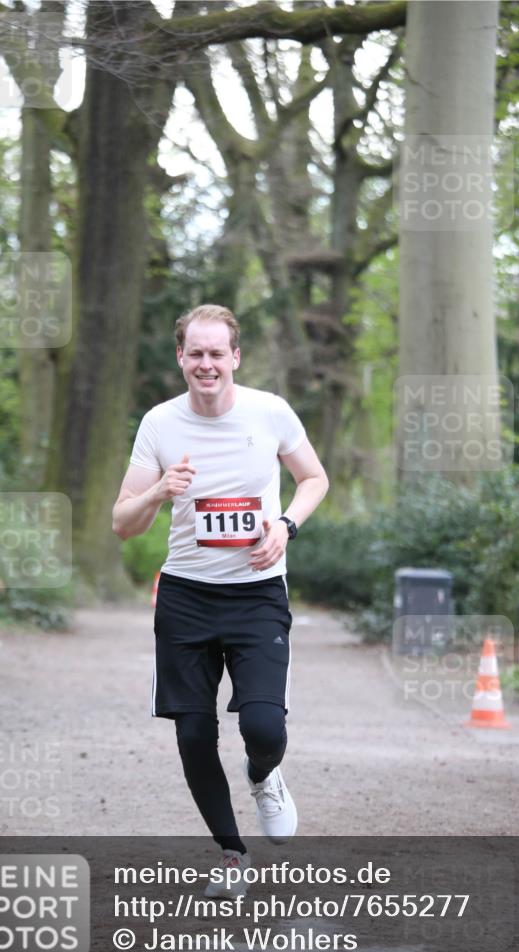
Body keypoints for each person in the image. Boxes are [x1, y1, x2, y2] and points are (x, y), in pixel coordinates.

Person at [112, 304, 329, 897]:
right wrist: (159, 489)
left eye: (217, 354)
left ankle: (264, 776)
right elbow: (122, 524)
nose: (206, 364)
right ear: (180, 358)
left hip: (258, 594)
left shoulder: (271, 412)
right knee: (191, 732)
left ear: (235, 357)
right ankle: (233, 854)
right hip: (185, 595)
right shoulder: (160, 424)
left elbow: (315, 478)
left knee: (263, 725)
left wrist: (285, 525)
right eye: (195, 354)